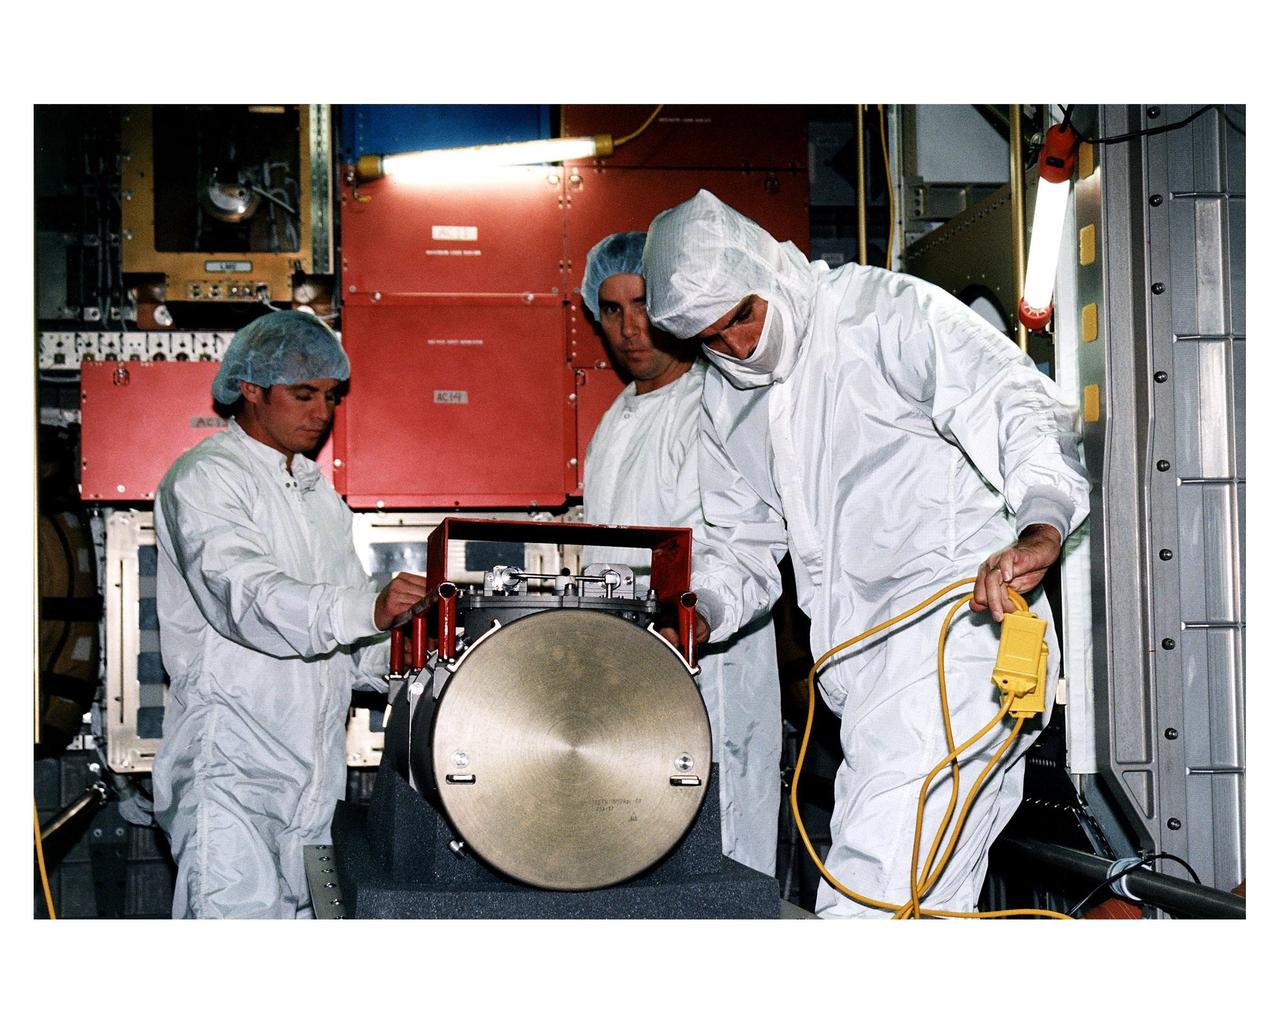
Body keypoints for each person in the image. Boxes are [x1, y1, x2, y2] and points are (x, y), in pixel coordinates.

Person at [643, 190, 1090, 918]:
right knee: (922, 908)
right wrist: (701, 610)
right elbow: (743, 544)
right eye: (709, 339)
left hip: (955, 642)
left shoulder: (878, 313)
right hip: (865, 675)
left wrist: (1042, 520)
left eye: (741, 319)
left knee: (866, 899)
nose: (735, 348)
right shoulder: (726, 399)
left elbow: (1010, 400)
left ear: (768, 274)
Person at [151, 310, 427, 918]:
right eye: (304, 394)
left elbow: (348, 641)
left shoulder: (316, 495)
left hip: (313, 783)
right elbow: (246, 598)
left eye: (329, 397)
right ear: (250, 388)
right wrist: (368, 608)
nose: (322, 413)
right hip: (232, 774)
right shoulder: (206, 479)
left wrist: (417, 654)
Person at [579, 231, 783, 876]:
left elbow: (744, 545)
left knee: (719, 864)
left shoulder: (716, 403)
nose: (630, 327)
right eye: (611, 310)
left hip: (708, 673)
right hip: (629, 677)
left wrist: (695, 613)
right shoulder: (617, 419)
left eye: (641, 303)